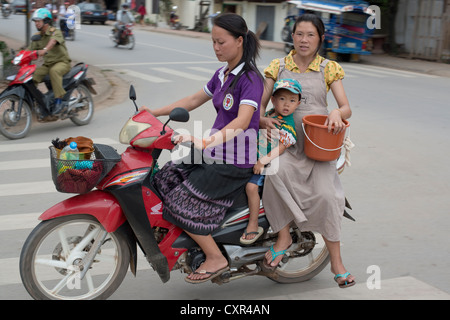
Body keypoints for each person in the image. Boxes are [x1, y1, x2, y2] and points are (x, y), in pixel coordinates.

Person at [141, 13, 263, 284]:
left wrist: (206, 141)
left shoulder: (251, 79)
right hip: (213, 152)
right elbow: (195, 98)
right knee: (163, 180)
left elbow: (243, 121)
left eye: (221, 42)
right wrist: (155, 112)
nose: (216, 48)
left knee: (177, 203)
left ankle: (215, 257)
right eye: (213, 42)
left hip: (235, 160)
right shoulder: (222, 74)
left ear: (239, 41)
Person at [260, 13, 355, 288]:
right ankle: (283, 236)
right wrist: (263, 119)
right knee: (272, 174)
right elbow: (260, 104)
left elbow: (346, 106)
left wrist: (336, 112)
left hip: (318, 149)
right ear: (292, 37)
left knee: (328, 196)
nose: (304, 40)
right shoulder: (277, 67)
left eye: (310, 35)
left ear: (320, 39)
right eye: (299, 34)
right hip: (285, 146)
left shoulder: (329, 68)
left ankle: (336, 262)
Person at [240, 78, 301, 245]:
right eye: (282, 99)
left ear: (298, 103)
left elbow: (281, 148)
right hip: (254, 157)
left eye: (292, 100)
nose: (286, 104)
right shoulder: (269, 115)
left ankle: (253, 223)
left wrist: (262, 161)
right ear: (273, 100)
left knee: (251, 187)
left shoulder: (287, 125)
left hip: (268, 164)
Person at [29, 8, 72, 115]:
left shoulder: (55, 32)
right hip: (47, 65)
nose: (36, 23)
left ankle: (59, 101)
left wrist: (45, 50)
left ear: (46, 21)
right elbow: (28, 50)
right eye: (35, 21)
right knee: (31, 76)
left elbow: (52, 42)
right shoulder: (38, 36)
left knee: (54, 71)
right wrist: (18, 58)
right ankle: (35, 101)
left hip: (62, 63)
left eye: (39, 21)